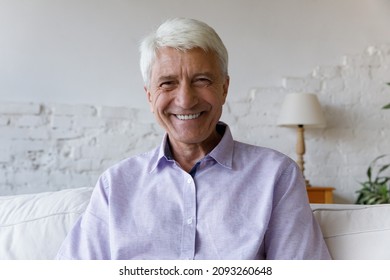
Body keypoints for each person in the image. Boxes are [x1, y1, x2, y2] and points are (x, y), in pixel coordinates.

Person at [56, 18, 331, 260]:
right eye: (167, 83)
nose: (186, 100)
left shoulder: (276, 176)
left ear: (224, 88)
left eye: (202, 80)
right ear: (150, 95)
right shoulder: (115, 185)